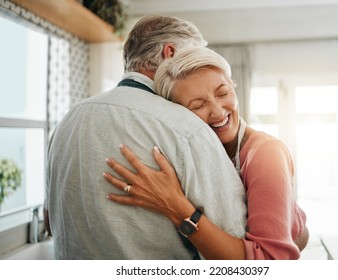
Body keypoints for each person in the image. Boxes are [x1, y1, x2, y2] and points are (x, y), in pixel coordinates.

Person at [44, 15, 247, 259]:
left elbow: (50, 222)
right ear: (170, 54)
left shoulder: (67, 121)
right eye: (195, 57)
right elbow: (238, 245)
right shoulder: (186, 127)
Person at [103, 46, 309, 260]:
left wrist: (175, 206)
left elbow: (270, 261)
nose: (218, 111)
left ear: (234, 86)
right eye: (198, 105)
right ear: (177, 115)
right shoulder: (188, 153)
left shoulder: (266, 153)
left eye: (223, 93)